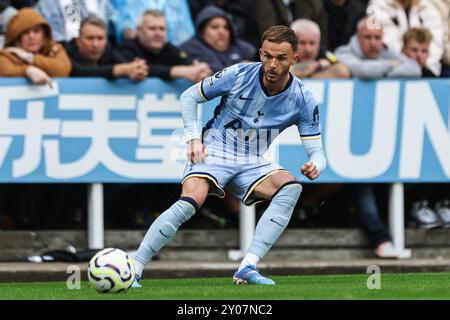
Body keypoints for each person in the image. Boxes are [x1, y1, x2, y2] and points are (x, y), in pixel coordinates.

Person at [131, 25, 326, 287]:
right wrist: (193, 138)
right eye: (267, 56)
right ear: (260, 53)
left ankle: (248, 267)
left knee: (290, 188)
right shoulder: (238, 74)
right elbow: (189, 96)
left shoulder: (303, 98)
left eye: (280, 58)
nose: (272, 64)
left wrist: (316, 163)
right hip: (216, 149)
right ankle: (135, 266)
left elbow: (317, 150)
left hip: (253, 159)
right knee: (190, 202)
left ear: (294, 59)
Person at [118, 9, 212, 82]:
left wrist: (200, 70)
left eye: (162, 29)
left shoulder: (169, 49)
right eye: (152, 28)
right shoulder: (127, 48)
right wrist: (177, 71)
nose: (158, 33)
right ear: (139, 30)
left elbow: (189, 65)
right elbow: (135, 69)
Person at [367, 0, 444, 76]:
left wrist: (425, 61)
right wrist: (404, 62)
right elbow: (374, 37)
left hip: (427, 68)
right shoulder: (376, 6)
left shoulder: (428, 7)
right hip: (391, 67)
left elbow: (436, 43)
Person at [0, 8, 71, 84]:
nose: (31, 36)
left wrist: (29, 57)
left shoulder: (54, 50)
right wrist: (27, 71)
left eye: (36, 31)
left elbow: (62, 70)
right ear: (17, 38)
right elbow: (4, 70)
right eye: (25, 33)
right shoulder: (8, 53)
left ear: (45, 35)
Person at [334, 16, 421, 78]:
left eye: (377, 38)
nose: (373, 43)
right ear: (358, 38)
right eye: (368, 37)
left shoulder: (387, 51)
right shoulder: (343, 52)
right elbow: (364, 71)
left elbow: (415, 69)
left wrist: (379, 72)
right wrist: (389, 64)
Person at [66, 15, 148, 80]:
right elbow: (77, 71)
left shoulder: (108, 50)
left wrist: (137, 69)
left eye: (100, 38)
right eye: (90, 38)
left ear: (106, 40)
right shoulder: (67, 52)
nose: (95, 44)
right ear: (78, 41)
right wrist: (119, 70)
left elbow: (126, 66)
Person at [180, 5, 256, 73]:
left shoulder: (241, 46)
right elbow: (210, 71)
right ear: (202, 30)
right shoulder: (191, 47)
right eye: (215, 27)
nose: (222, 32)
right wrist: (241, 67)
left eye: (226, 28)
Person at [36, 0, 116, 45]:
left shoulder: (100, 2)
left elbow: (112, 22)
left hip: (101, 48)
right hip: (65, 49)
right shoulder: (48, 3)